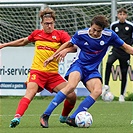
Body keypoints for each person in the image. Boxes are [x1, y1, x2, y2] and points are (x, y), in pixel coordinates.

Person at [40, 15, 133, 127]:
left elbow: (126, 47)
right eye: (93, 30)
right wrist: (53, 56)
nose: (95, 33)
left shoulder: (109, 36)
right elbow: (68, 44)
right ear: (90, 26)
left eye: (98, 31)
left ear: (103, 30)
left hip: (92, 70)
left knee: (98, 90)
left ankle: (73, 117)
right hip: (78, 65)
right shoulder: (81, 34)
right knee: (71, 86)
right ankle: (45, 115)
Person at [0, 7, 77, 128]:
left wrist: (66, 50)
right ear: (41, 23)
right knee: (30, 93)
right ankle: (17, 117)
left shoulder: (61, 35)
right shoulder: (37, 34)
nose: (49, 26)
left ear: (54, 23)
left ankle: (63, 117)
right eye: (46, 24)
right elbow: (23, 41)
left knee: (72, 96)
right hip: (37, 72)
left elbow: (74, 47)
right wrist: (4, 45)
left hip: (53, 74)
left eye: (51, 23)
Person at [103, 8, 133, 102]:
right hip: (116, 50)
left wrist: (129, 47)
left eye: (124, 14)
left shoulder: (130, 26)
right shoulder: (114, 25)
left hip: (126, 52)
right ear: (117, 15)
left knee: (124, 72)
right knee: (109, 62)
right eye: (120, 14)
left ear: (126, 16)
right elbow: (110, 37)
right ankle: (106, 85)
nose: (122, 16)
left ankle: (121, 95)